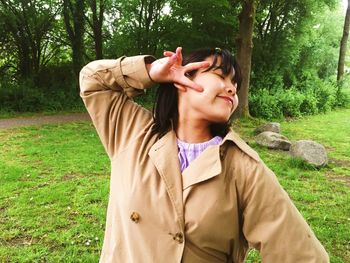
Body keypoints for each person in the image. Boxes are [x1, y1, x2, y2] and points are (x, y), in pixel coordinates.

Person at [79, 47, 329, 262]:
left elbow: (303, 254)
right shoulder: (133, 132)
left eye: (235, 84)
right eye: (221, 76)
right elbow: (92, 79)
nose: (232, 89)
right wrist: (151, 72)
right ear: (182, 79)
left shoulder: (243, 167)